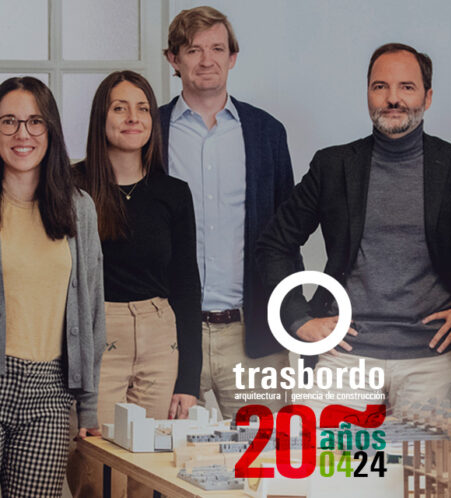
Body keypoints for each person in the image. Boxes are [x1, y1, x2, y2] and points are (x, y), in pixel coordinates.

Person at [257, 43, 451, 411]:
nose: (392, 98)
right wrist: (298, 317)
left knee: (424, 452)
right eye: (380, 86)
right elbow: (274, 243)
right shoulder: (332, 166)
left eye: (407, 87)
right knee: (322, 449)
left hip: (431, 359)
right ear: (367, 94)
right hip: (345, 356)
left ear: (428, 97)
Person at [67, 70, 201, 497]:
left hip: (160, 335)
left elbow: (187, 284)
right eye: (120, 108)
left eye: (143, 108)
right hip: (98, 333)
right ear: (101, 117)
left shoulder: (173, 193)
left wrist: (189, 381)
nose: (133, 117)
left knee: (151, 472)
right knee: (95, 472)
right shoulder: (71, 187)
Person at [160, 6, 296, 419]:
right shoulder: (151, 133)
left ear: (233, 57)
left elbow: (286, 237)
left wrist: (293, 318)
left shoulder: (267, 133)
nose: (207, 60)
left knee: (266, 454)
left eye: (217, 49)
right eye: (193, 50)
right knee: (163, 455)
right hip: (168, 336)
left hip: (251, 335)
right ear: (173, 59)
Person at [0, 76, 104, 497]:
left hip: (50, 391)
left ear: (51, 130)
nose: (22, 134)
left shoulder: (79, 208)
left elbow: (91, 310)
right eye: (8, 121)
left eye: (34, 122)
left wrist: (89, 406)